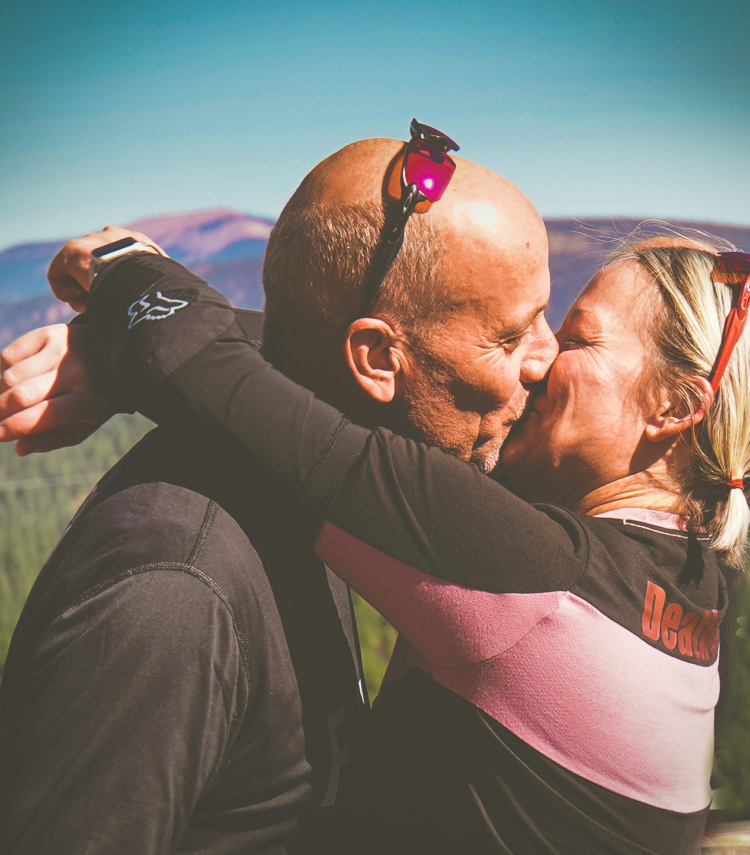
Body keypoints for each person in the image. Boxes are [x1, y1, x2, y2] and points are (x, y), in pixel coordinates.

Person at [29, 228, 749, 854]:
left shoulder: (540, 577)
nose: (541, 357)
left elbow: (219, 385)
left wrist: (125, 266)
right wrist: (124, 357)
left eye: (581, 338)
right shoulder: (692, 578)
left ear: (674, 406)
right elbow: (388, 381)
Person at [0, 123, 559, 853]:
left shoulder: (307, 483)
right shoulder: (170, 594)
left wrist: (130, 336)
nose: (546, 359)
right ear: (377, 360)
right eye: (510, 337)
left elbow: (300, 347)